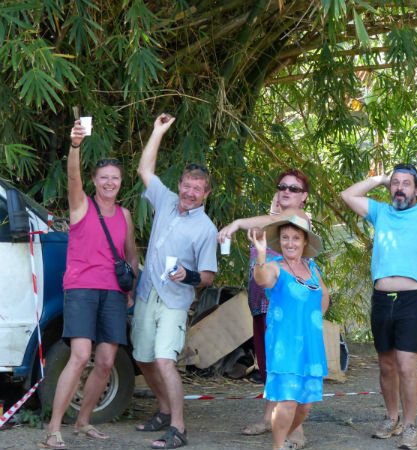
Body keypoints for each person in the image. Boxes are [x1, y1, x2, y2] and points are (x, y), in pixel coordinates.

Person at [340, 147, 417, 449]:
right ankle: (391, 417)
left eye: (406, 183)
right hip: (382, 299)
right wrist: (380, 178)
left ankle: (409, 425)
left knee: (407, 365)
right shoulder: (381, 212)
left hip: (413, 299)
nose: (399, 188)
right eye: (396, 183)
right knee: (386, 365)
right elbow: (348, 195)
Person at [44, 120, 138, 448]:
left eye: (115, 178)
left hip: (113, 291)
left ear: (120, 182)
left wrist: (130, 289)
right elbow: (72, 176)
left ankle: (83, 422)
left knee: (107, 361)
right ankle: (54, 428)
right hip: (82, 287)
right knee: (81, 355)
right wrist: (74, 146)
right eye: (104, 178)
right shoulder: (81, 205)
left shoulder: (124, 215)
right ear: (95, 181)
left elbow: (130, 256)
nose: (110, 183)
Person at [131, 113, 217, 449]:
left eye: (197, 189)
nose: (190, 192)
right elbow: (144, 171)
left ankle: (178, 428)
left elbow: (208, 277)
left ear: (205, 194)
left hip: (174, 300)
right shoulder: (166, 200)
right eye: (187, 186)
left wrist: (188, 275)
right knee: (143, 356)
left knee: (165, 360)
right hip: (146, 292)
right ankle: (165, 410)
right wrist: (156, 132)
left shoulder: (206, 229)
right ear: (179, 185)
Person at [217, 169, 310, 448]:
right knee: (269, 365)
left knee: (290, 367)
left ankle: (298, 430)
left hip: (287, 308)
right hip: (262, 304)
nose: (286, 191)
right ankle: (270, 416)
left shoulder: (299, 219)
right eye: (282, 186)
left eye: (294, 189)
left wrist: (237, 222)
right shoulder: (270, 224)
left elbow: (277, 220)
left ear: (304, 198)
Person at [248, 215, 329, 450]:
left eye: (296, 238)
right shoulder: (275, 267)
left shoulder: (312, 267)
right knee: (288, 400)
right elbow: (262, 279)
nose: (290, 243)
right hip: (284, 343)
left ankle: (285, 438)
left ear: (305, 242)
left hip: (311, 343)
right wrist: (261, 254)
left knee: (305, 404)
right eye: (285, 238)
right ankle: (278, 446)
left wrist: (315, 319)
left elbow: (323, 294)